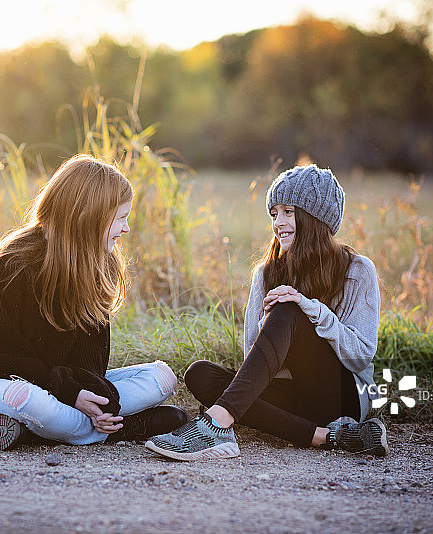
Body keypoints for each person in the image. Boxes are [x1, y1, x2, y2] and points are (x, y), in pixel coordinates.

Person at [146, 164, 387, 461]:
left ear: (315, 217)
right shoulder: (266, 273)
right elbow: (252, 361)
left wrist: (307, 309)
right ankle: (329, 436)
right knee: (201, 375)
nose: (278, 222)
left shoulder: (357, 270)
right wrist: (268, 323)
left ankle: (215, 424)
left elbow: (361, 354)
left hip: (340, 396)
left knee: (288, 309)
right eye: (274, 213)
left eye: (288, 211)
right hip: (291, 396)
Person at [0, 154, 187, 451]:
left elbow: (90, 365)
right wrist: (72, 394)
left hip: (64, 385)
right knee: (28, 400)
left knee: (162, 379)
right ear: (87, 216)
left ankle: (35, 430)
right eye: (120, 217)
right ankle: (124, 428)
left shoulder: (98, 266)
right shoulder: (15, 263)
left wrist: (93, 399)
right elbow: (1, 358)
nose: (126, 228)